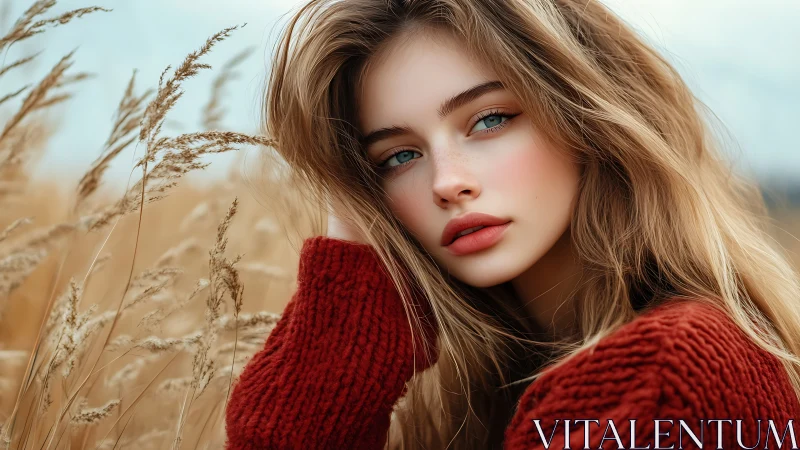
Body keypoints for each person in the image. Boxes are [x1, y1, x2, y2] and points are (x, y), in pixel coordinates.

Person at [225, 0, 800, 448]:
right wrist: (351, 307)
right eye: (398, 156)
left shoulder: (660, 379)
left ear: (584, 114)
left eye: (490, 119)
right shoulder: (502, 383)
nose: (446, 182)